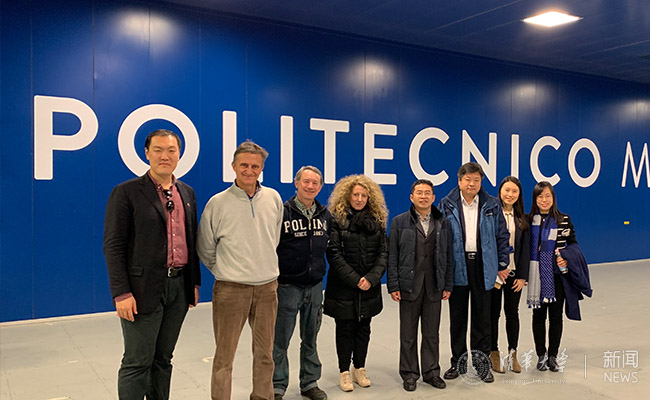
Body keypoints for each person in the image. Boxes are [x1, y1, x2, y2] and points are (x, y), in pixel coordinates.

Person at [103, 129, 201, 400]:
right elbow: (113, 246)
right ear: (147, 153)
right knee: (137, 362)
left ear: (179, 154)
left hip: (178, 289)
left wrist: (193, 282)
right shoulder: (126, 192)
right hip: (141, 289)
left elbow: (191, 240)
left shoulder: (187, 193)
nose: (164, 156)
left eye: (171, 150)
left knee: (163, 359)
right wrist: (121, 293)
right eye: (158, 150)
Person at [197, 140, 283, 400]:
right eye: (244, 165)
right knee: (224, 357)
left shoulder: (273, 198)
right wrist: (226, 271)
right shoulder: (217, 203)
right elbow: (205, 247)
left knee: (265, 354)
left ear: (262, 169)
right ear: (233, 166)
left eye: (255, 166)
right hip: (231, 290)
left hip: (267, 289)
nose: (249, 170)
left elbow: (273, 238)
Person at [438, 162, 509, 384]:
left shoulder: (492, 204)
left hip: (483, 265)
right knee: (457, 318)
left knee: (482, 318)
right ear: (459, 181)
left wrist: (503, 263)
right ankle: (457, 363)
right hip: (457, 264)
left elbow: (502, 236)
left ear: (481, 182)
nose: (472, 184)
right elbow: (440, 238)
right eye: (467, 179)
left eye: (476, 180)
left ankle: (481, 365)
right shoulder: (446, 204)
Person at [387, 179, 453, 392]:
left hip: (434, 286)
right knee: (408, 335)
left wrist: (448, 284)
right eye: (419, 193)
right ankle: (409, 374)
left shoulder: (443, 223)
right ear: (411, 197)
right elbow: (392, 256)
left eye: (427, 193)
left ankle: (431, 372)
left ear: (433, 197)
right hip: (408, 285)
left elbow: (449, 256)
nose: (423, 196)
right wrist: (393, 285)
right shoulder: (399, 222)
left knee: (431, 334)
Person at [324, 175, 388, 392]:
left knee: (363, 330)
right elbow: (333, 253)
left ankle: (359, 368)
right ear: (347, 196)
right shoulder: (336, 219)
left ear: (369, 198)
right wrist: (355, 279)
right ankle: (344, 371)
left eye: (363, 195)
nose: (359, 199)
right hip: (343, 287)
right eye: (356, 195)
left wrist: (371, 279)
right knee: (344, 330)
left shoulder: (377, 220)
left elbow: (383, 252)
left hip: (369, 287)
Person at [273, 166, 332, 400]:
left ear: (320, 187)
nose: (310, 186)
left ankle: (309, 383)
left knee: (310, 339)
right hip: (287, 287)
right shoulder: (282, 212)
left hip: (315, 287)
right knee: (280, 341)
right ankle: (277, 385)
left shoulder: (325, 215)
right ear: (296, 183)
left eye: (315, 183)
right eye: (306, 181)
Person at [527, 181, 592, 372]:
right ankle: (541, 355)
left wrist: (565, 256)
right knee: (538, 317)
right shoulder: (529, 220)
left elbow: (573, 244)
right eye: (540, 196)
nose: (544, 200)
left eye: (547, 196)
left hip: (558, 277)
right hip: (537, 277)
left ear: (553, 198)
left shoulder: (564, 219)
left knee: (556, 318)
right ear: (535, 199)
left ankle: (553, 356)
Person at [489, 176, 530, 374]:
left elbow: (526, 249)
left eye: (514, 191)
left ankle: (513, 353)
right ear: (500, 191)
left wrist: (522, 276)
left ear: (519, 195)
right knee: (493, 314)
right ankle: (493, 352)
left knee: (512, 313)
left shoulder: (523, 218)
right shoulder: (490, 214)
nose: (510, 194)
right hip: (496, 274)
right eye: (507, 190)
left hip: (514, 275)